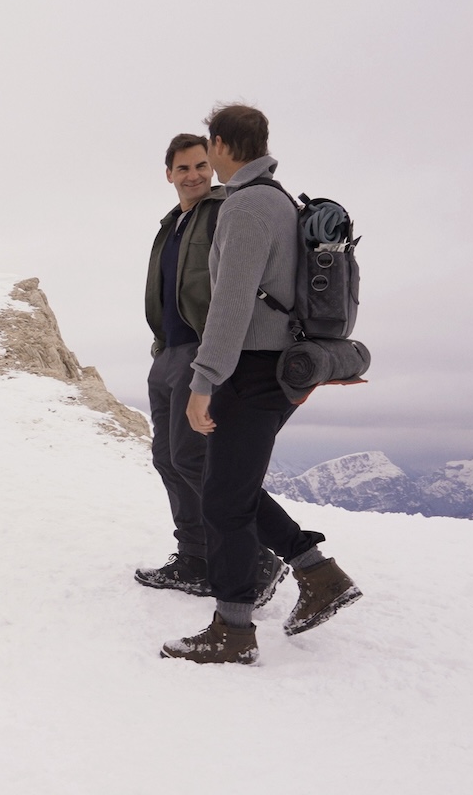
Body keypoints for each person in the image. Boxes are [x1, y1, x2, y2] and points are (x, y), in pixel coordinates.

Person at [161, 104, 362, 665]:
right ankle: (319, 574)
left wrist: (204, 381)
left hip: (253, 367)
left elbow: (230, 303)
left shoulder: (247, 204)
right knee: (234, 487)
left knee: (223, 499)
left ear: (222, 144)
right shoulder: (280, 199)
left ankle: (233, 629)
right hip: (280, 366)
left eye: (210, 148)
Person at [134, 134, 286, 603]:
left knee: (196, 460)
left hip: (204, 350)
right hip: (170, 350)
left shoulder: (228, 209)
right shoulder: (171, 223)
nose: (194, 175)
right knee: (167, 458)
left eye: (201, 165)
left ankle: (255, 558)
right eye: (183, 168)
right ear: (169, 174)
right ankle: (197, 558)